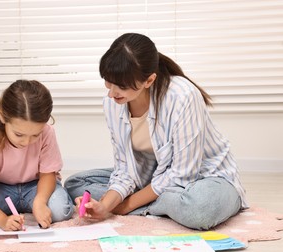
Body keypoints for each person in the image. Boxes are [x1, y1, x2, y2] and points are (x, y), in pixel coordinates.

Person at [64, 33, 248, 230]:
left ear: (149, 80)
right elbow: (125, 168)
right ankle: (162, 204)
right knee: (75, 184)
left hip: (205, 177)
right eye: (108, 82)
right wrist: (105, 206)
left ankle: (145, 202)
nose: (111, 93)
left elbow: (182, 174)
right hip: (152, 175)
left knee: (200, 209)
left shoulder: (183, 96)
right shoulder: (113, 102)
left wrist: (124, 206)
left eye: (121, 86)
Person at [0, 79, 74, 231]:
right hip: (2, 189)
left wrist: (40, 202)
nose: (27, 142)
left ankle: (31, 206)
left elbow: (48, 174)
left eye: (35, 135)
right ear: (3, 117)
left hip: (36, 186)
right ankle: (5, 209)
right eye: (19, 134)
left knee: (60, 210)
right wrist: (2, 220)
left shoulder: (47, 133)